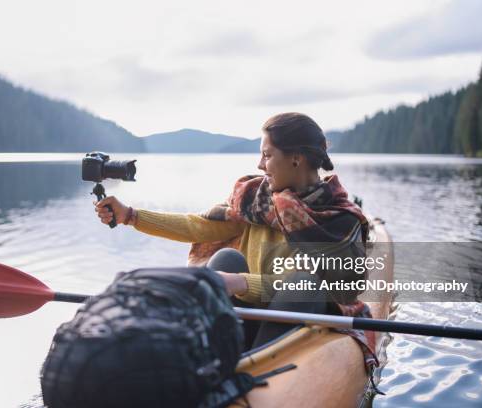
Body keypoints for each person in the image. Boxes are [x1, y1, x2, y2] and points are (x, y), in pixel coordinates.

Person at [94, 112, 375, 360]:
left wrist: (240, 282)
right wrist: (130, 216)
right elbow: (198, 226)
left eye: (267, 155)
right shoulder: (256, 200)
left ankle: (253, 368)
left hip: (301, 317)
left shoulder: (339, 220)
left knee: (303, 283)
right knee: (226, 257)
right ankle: (211, 355)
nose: (260, 165)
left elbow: (308, 287)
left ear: (296, 160)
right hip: (252, 309)